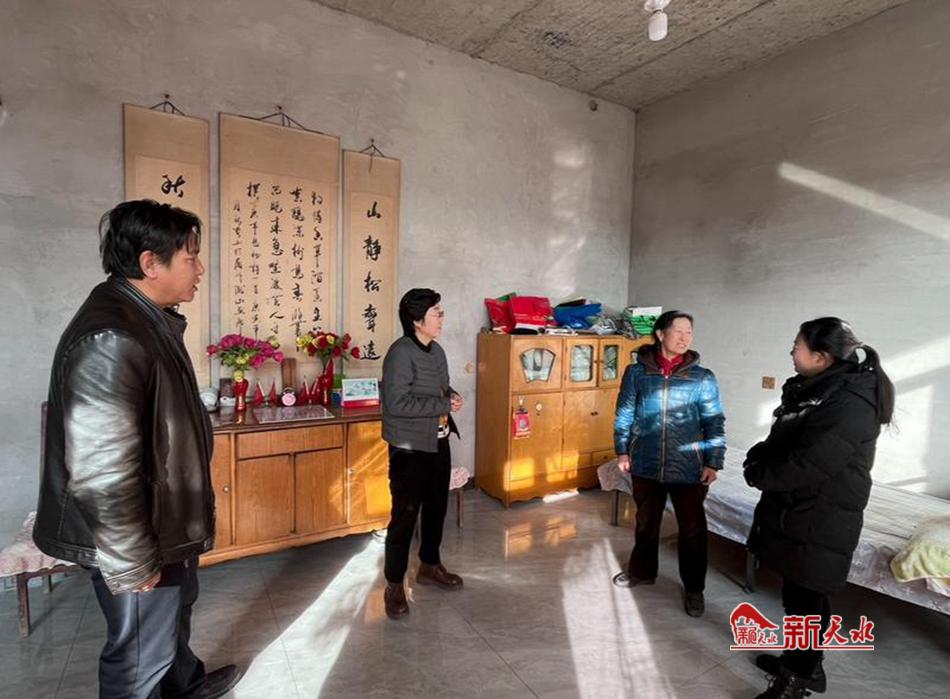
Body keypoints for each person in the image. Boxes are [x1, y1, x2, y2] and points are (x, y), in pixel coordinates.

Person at [33, 200, 240, 699]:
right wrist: (130, 559)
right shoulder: (113, 335)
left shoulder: (145, 319)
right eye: (190, 257)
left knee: (172, 620)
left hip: (162, 520)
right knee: (140, 658)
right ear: (150, 263)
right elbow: (103, 466)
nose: (199, 269)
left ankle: (185, 686)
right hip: (137, 532)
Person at [744, 318, 894, 699]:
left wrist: (759, 472)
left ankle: (794, 682)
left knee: (807, 600)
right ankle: (807, 666)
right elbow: (785, 438)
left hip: (821, 516)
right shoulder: (818, 389)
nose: (791, 352)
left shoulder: (850, 402)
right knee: (800, 596)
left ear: (821, 356)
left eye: (797, 346)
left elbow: (809, 462)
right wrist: (759, 455)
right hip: (801, 510)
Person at [612, 310, 726, 617]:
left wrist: (714, 461)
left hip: (688, 466)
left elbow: (714, 421)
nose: (685, 338)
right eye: (679, 331)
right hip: (645, 462)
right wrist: (622, 451)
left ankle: (694, 589)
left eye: (689, 332)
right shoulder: (636, 373)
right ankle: (642, 572)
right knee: (646, 523)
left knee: (693, 530)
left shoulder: (702, 377)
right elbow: (624, 413)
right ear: (661, 334)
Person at [380, 288, 464, 619]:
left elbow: (441, 388)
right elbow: (396, 403)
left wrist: (451, 396)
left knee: (436, 508)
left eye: (441, 311)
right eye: (436, 312)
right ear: (417, 320)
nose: (442, 317)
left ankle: (429, 565)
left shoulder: (437, 350)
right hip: (409, 448)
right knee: (405, 515)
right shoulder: (400, 353)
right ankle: (394, 585)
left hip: (438, 441)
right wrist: (443, 404)